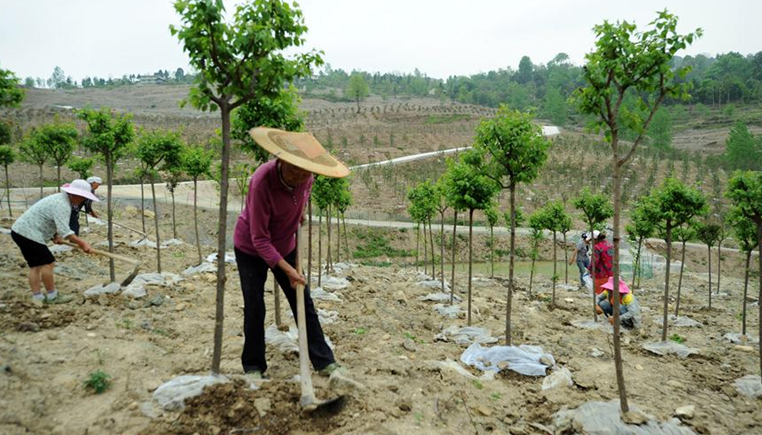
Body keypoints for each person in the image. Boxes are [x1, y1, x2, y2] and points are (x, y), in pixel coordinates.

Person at [233, 127, 351, 382]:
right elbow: (260, 239)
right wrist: (289, 270)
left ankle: (325, 362)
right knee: (254, 306)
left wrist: (299, 215)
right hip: (251, 249)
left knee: (304, 303)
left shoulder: (307, 177)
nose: (300, 175)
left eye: (305, 170)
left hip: (286, 243)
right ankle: (253, 366)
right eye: (295, 169)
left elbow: (300, 199)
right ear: (282, 160)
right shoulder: (261, 181)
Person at [11, 179, 97, 302]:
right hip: (29, 234)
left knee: (35, 266)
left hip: (20, 231)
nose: (83, 200)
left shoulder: (59, 198)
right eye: (83, 198)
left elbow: (49, 220)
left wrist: (54, 236)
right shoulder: (62, 205)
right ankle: (52, 296)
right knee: (48, 263)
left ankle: (37, 296)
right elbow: (66, 231)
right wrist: (82, 243)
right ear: (77, 195)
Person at [589, 230, 613, 295]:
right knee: (609, 296)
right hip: (611, 275)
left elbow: (594, 263)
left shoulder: (597, 247)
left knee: (599, 296)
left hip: (600, 276)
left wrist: (589, 270)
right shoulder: (610, 245)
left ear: (595, 239)